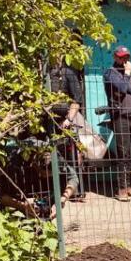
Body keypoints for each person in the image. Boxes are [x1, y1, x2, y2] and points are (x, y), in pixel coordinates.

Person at [104, 46, 131, 202]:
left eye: (126, 57)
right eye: (121, 57)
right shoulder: (110, 73)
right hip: (120, 116)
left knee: (130, 153)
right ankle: (121, 188)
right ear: (115, 57)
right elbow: (121, 88)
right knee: (123, 153)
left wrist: (128, 84)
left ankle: (129, 186)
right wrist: (127, 78)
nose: (125, 60)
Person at [49, 56, 87, 202]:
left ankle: (76, 192)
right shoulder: (44, 73)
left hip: (64, 123)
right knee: (53, 158)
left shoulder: (68, 73)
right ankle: (55, 193)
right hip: (45, 123)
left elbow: (77, 100)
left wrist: (68, 119)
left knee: (72, 158)